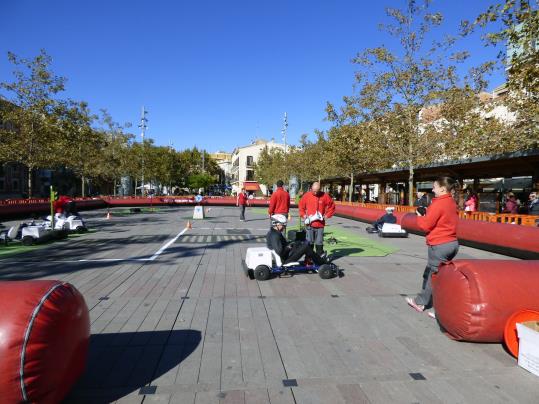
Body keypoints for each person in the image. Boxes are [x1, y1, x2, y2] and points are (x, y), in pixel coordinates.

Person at [406, 176, 459, 319]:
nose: (432, 189)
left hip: (439, 244)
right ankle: (433, 305)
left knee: (434, 277)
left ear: (442, 189)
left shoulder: (438, 203)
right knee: (438, 274)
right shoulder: (451, 202)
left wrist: (418, 216)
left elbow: (425, 225)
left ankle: (423, 303)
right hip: (452, 243)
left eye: (434, 186)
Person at [299, 182, 336, 256]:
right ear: (311, 188)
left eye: (317, 191)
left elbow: (332, 206)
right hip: (310, 224)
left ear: (320, 189)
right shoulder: (306, 196)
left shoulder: (325, 196)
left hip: (320, 224)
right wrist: (304, 215)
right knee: (309, 242)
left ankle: (319, 258)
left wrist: (327, 216)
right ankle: (308, 259)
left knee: (319, 242)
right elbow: (301, 207)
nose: (315, 193)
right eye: (313, 190)